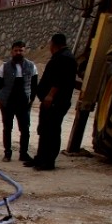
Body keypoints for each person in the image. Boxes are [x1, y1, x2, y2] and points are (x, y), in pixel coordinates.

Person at [26, 33, 79, 171]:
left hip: (56, 102)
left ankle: (48, 162)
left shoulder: (65, 58)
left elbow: (60, 80)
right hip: (50, 102)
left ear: (54, 44)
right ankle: (40, 158)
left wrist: (50, 95)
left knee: (52, 131)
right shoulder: (60, 56)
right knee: (44, 130)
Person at [0, 40, 39, 163]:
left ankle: (23, 154)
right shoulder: (4, 67)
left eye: (21, 50)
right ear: (12, 52)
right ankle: (7, 153)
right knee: (7, 128)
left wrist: (32, 99)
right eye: (16, 50)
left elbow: (34, 85)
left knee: (25, 129)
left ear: (25, 51)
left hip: (24, 103)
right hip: (8, 103)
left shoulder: (31, 66)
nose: (18, 52)